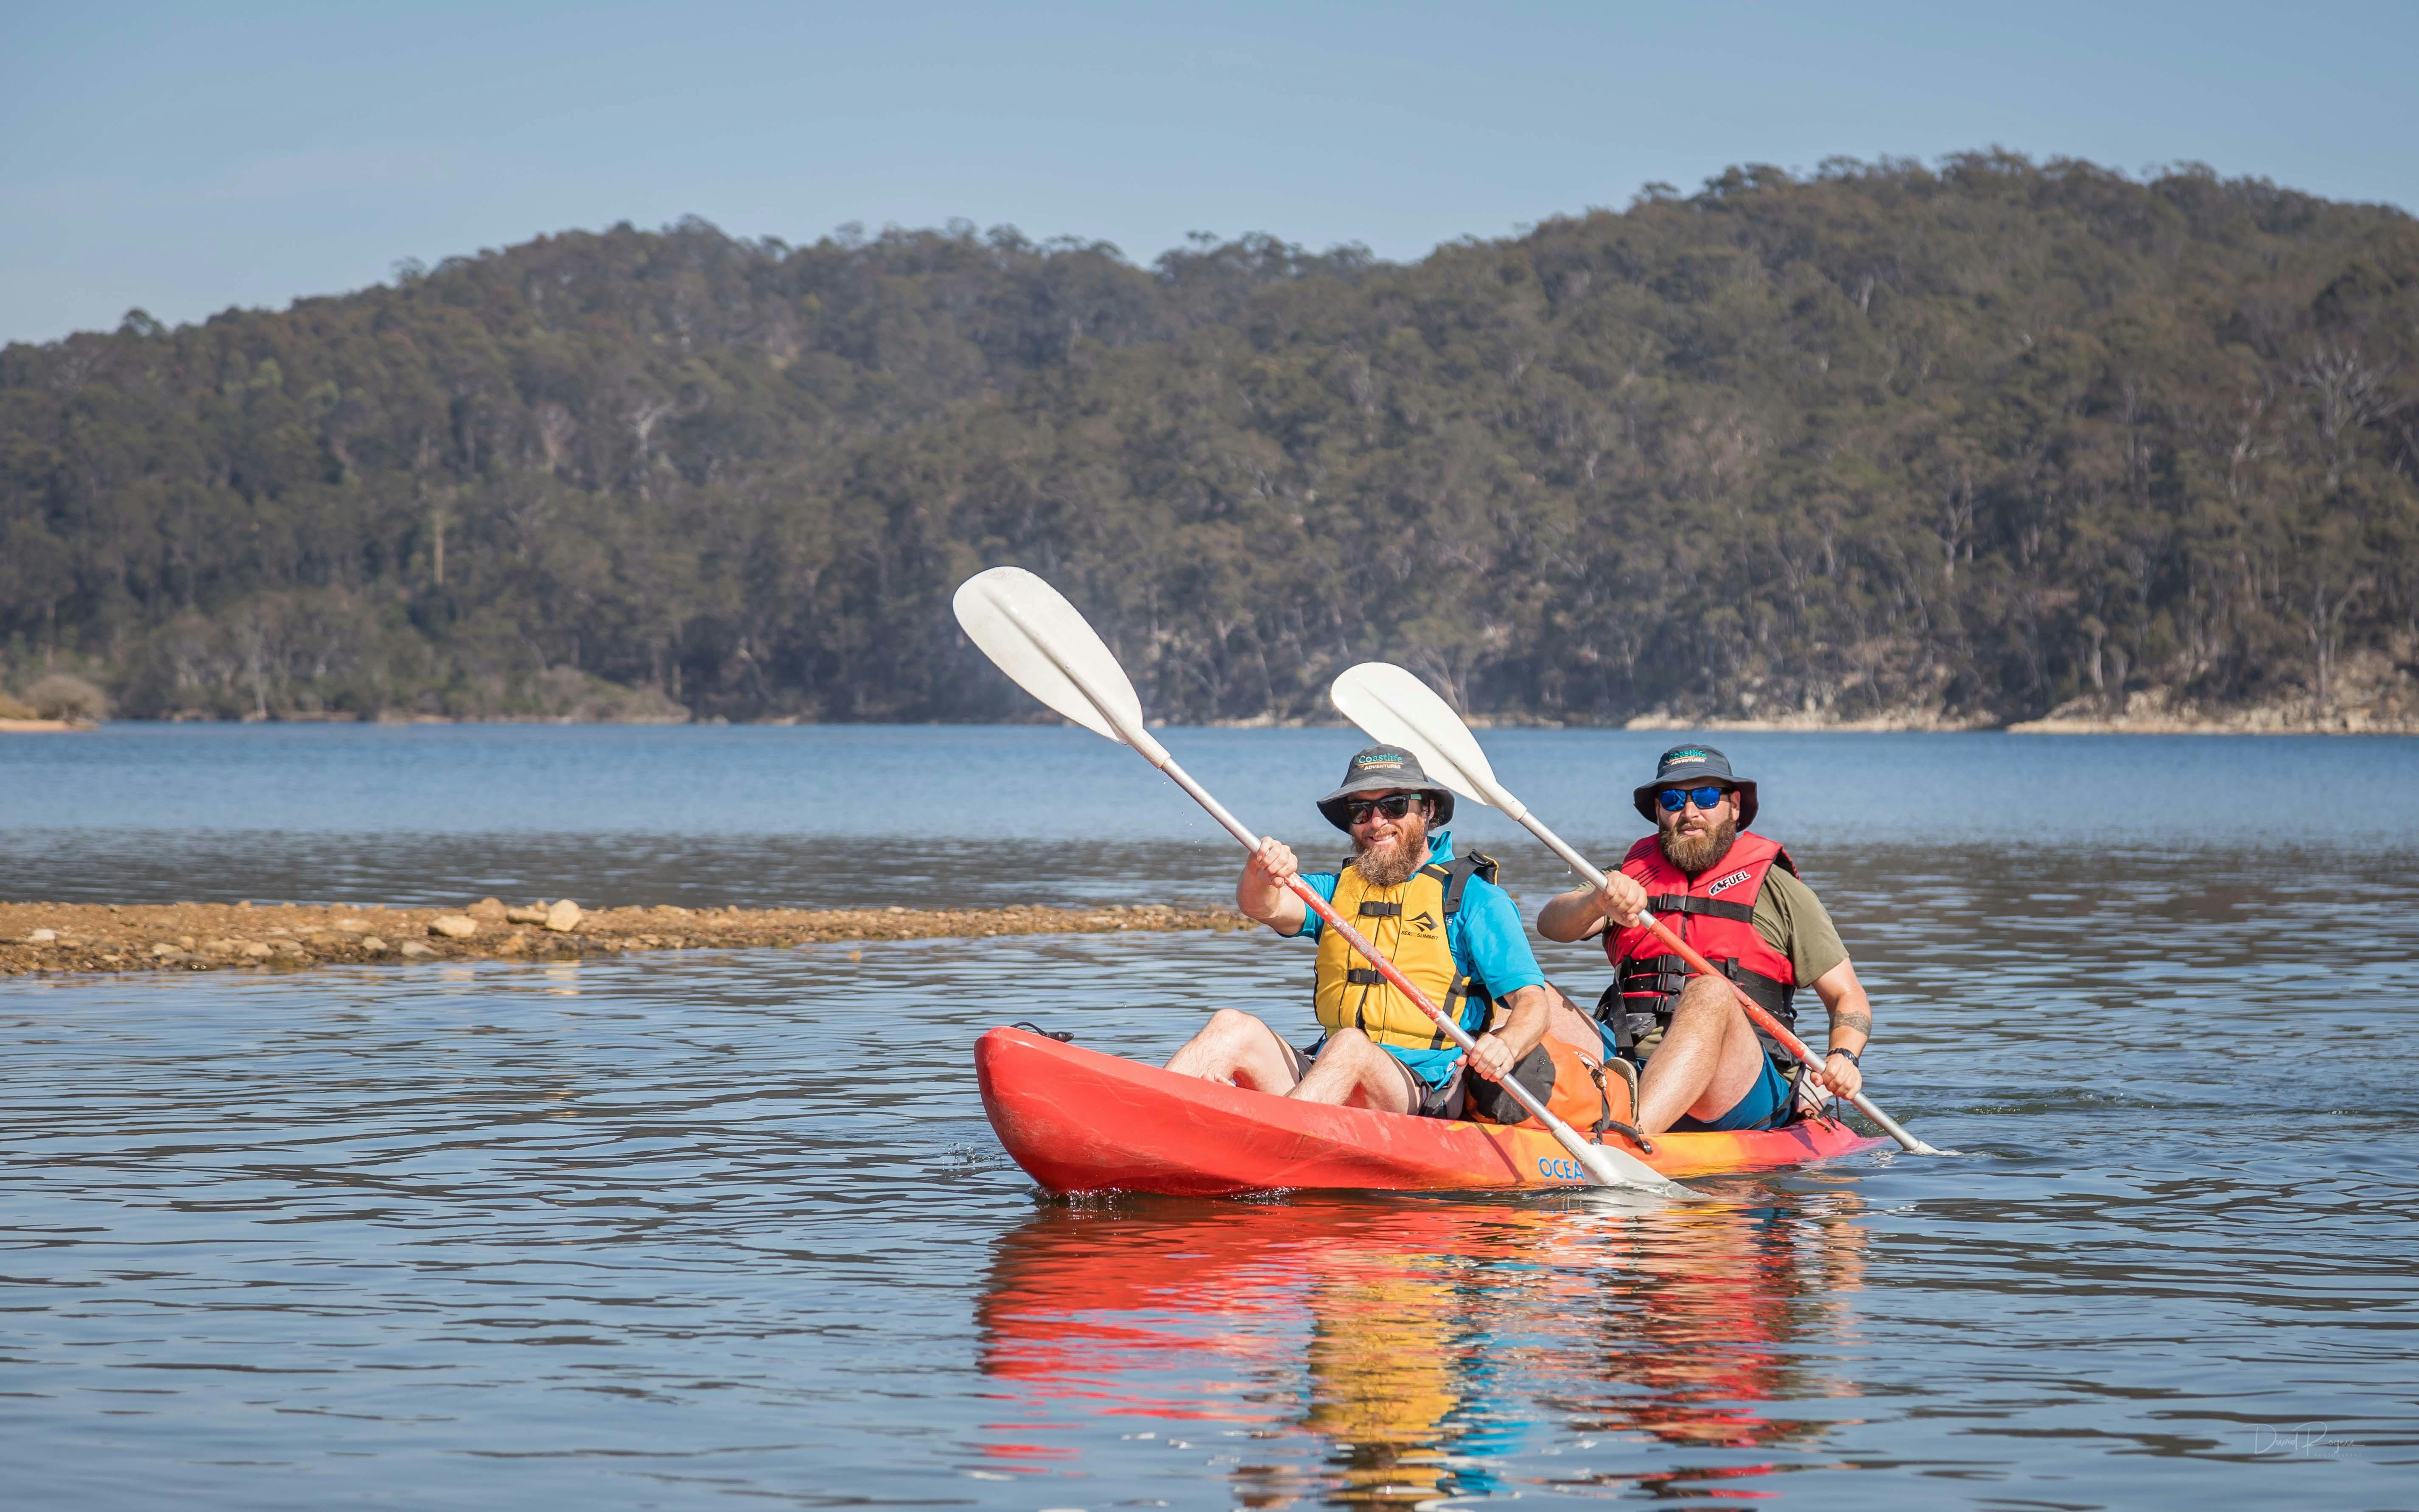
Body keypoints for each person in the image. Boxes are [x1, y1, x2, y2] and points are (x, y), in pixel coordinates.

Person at [1164, 745, 1557, 1116]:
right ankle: (1151, 1117)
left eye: (1395, 806)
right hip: (1327, 1071)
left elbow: (1533, 1004)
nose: (1377, 822)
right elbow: (1263, 906)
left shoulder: (1476, 899)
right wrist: (1260, 872)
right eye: (1361, 811)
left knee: (1351, 1045)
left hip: (1422, 1087)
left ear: (1427, 811)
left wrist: (1507, 1044)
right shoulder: (1336, 892)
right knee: (1232, 1025)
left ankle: (1274, 1141)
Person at [1535, 744, 1873, 1136]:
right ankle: (1488, 1110)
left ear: (1734, 808)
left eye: (1708, 797)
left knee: (1711, 991)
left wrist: (1844, 1056)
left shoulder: (1780, 891)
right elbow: (1552, 925)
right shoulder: (1624, 879)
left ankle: (1633, 1138)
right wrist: (1597, 900)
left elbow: (1847, 996)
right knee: (1528, 991)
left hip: (1736, 1080)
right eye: (1674, 799)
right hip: (1627, 1061)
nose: (1690, 813)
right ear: (1660, 811)